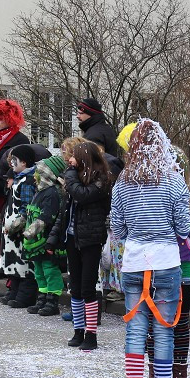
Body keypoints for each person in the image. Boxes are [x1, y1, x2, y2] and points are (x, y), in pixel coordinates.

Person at [110, 119, 190, 378]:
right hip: (165, 263)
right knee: (164, 331)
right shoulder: (173, 180)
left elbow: (117, 228)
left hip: (133, 262)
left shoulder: (122, 181)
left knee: (135, 330)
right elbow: (184, 227)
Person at [145, 153, 190, 378]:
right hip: (155, 262)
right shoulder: (151, 191)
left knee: (181, 321)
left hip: (184, 263)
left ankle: (180, 375)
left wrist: (182, 223)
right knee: (152, 321)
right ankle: (154, 374)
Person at [54, 139, 113, 351]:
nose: (69, 160)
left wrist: (69, 177)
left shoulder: (101, 179)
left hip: (91, 239)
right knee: (75, 287)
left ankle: (91, 334)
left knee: (88, 287)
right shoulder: (76, 179)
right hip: (72, 237)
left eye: (74, 156)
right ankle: (78, 330)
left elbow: (83, 195)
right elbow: (66, 209)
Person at [0, 99, 30, 275]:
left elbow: (22, 165)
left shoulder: (20, 139)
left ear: (11, 118)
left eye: (1, 117)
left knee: (7, 226)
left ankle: (5, 263)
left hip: (8, 189)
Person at [22, 155, 68, 317]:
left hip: (46, 240)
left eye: (39, 173)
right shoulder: (39, 192)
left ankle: (52, 300)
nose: (35, 176)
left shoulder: (52, 193)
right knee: (39, 270)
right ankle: (42, 298)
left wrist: (29, 232)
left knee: (50, 270)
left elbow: (47, 217)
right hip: (35, 242)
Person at [0, 143, 41, 309]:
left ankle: (25, 295)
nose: (11, 164)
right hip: (11, 232)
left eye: (14, 160)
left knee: (23, 263)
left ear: (24, 162)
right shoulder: (18, 178)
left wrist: (17, 225)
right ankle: (14, 290)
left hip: (20, 231)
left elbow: (26, 207)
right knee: (13, 262)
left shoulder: (28, 181)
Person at [75, 97, 123, 174]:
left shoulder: (94, 135)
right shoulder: (104, 129)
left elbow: (92, 163)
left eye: (81, 113)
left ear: (90, 114)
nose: (77, 116)